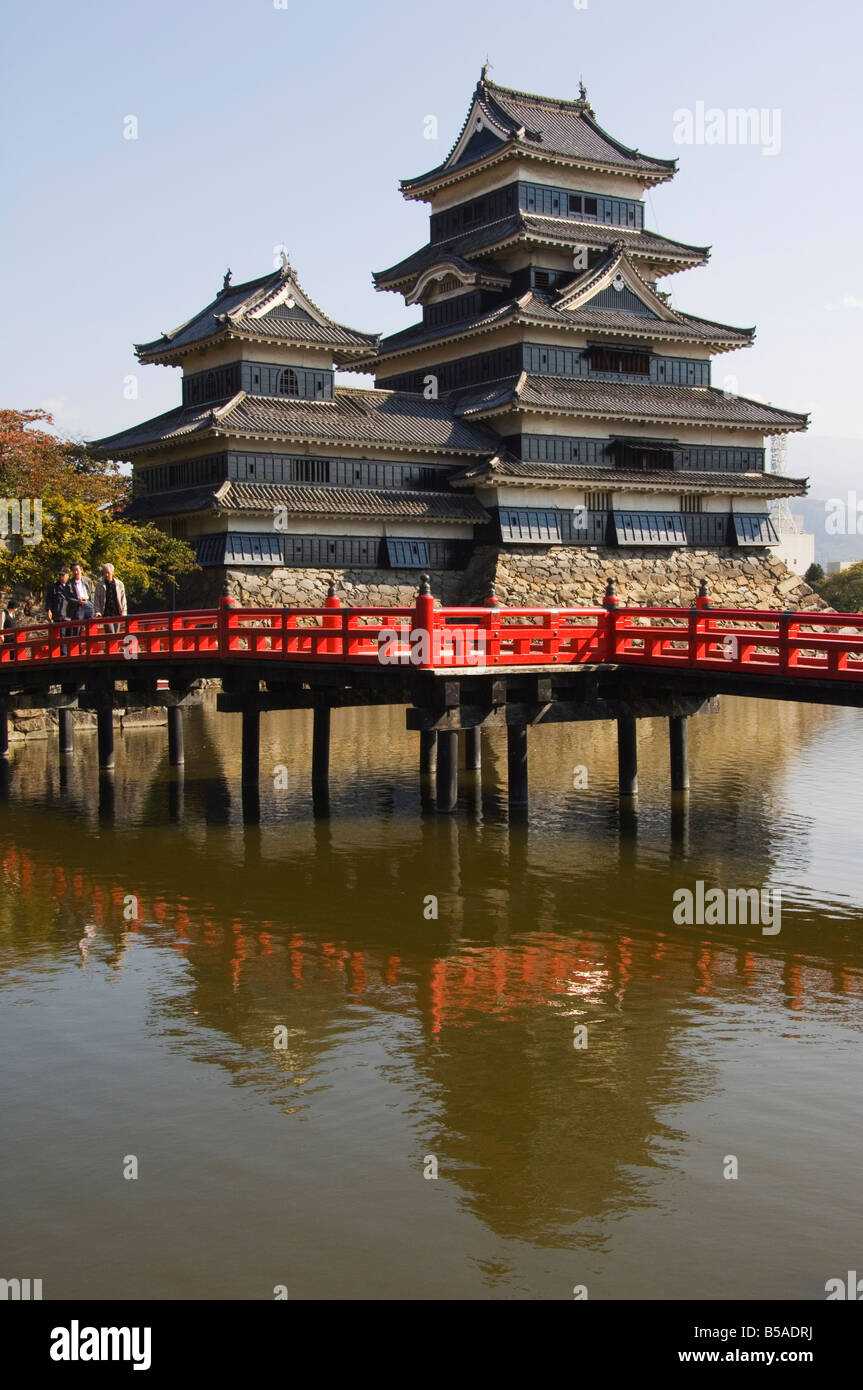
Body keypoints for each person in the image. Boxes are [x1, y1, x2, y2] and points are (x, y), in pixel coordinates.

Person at [94, 563, 127, 633]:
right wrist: (97, 611)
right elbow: (96, 599)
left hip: (117, 612)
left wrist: (124, 612)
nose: (106, 575)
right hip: (106, 613)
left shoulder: (119, 584)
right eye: (105, 573)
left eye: (108, 573)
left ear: (112, 572)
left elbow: (123, 599)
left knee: (116, 634)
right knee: (110, 632)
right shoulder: (100, 585)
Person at [63, 563, 94, 637]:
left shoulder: (87, 580)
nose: (76, 572)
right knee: (77, 628)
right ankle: (77, 647)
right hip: (78, 606)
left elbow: (93, 592)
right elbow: (68, 597)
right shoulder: (69, 583)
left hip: (88, 604)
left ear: (81, 570)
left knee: (92, 627)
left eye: (77, 570)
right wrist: (77, 601)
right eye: (74, 570)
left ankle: (91, 646)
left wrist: (92, 602)